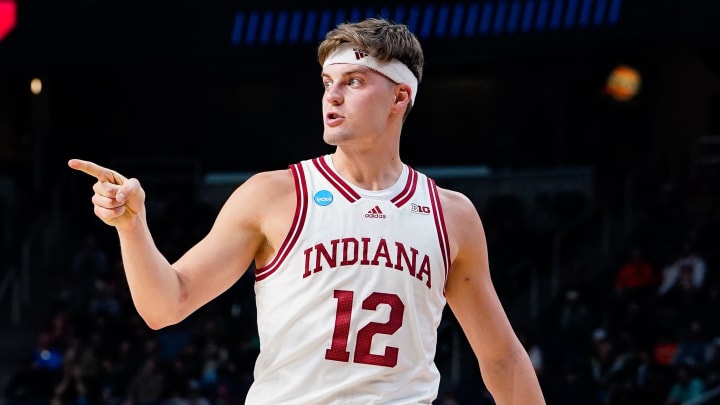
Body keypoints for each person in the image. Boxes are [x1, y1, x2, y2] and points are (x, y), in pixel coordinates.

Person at [68, 17, 545, 404]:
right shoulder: (274, 194)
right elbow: (164, 306)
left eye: (353, 82)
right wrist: (132, 228)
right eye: (327, 82)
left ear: (401, 96)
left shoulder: (451, 215)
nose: (332, 96)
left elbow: (502, 359)